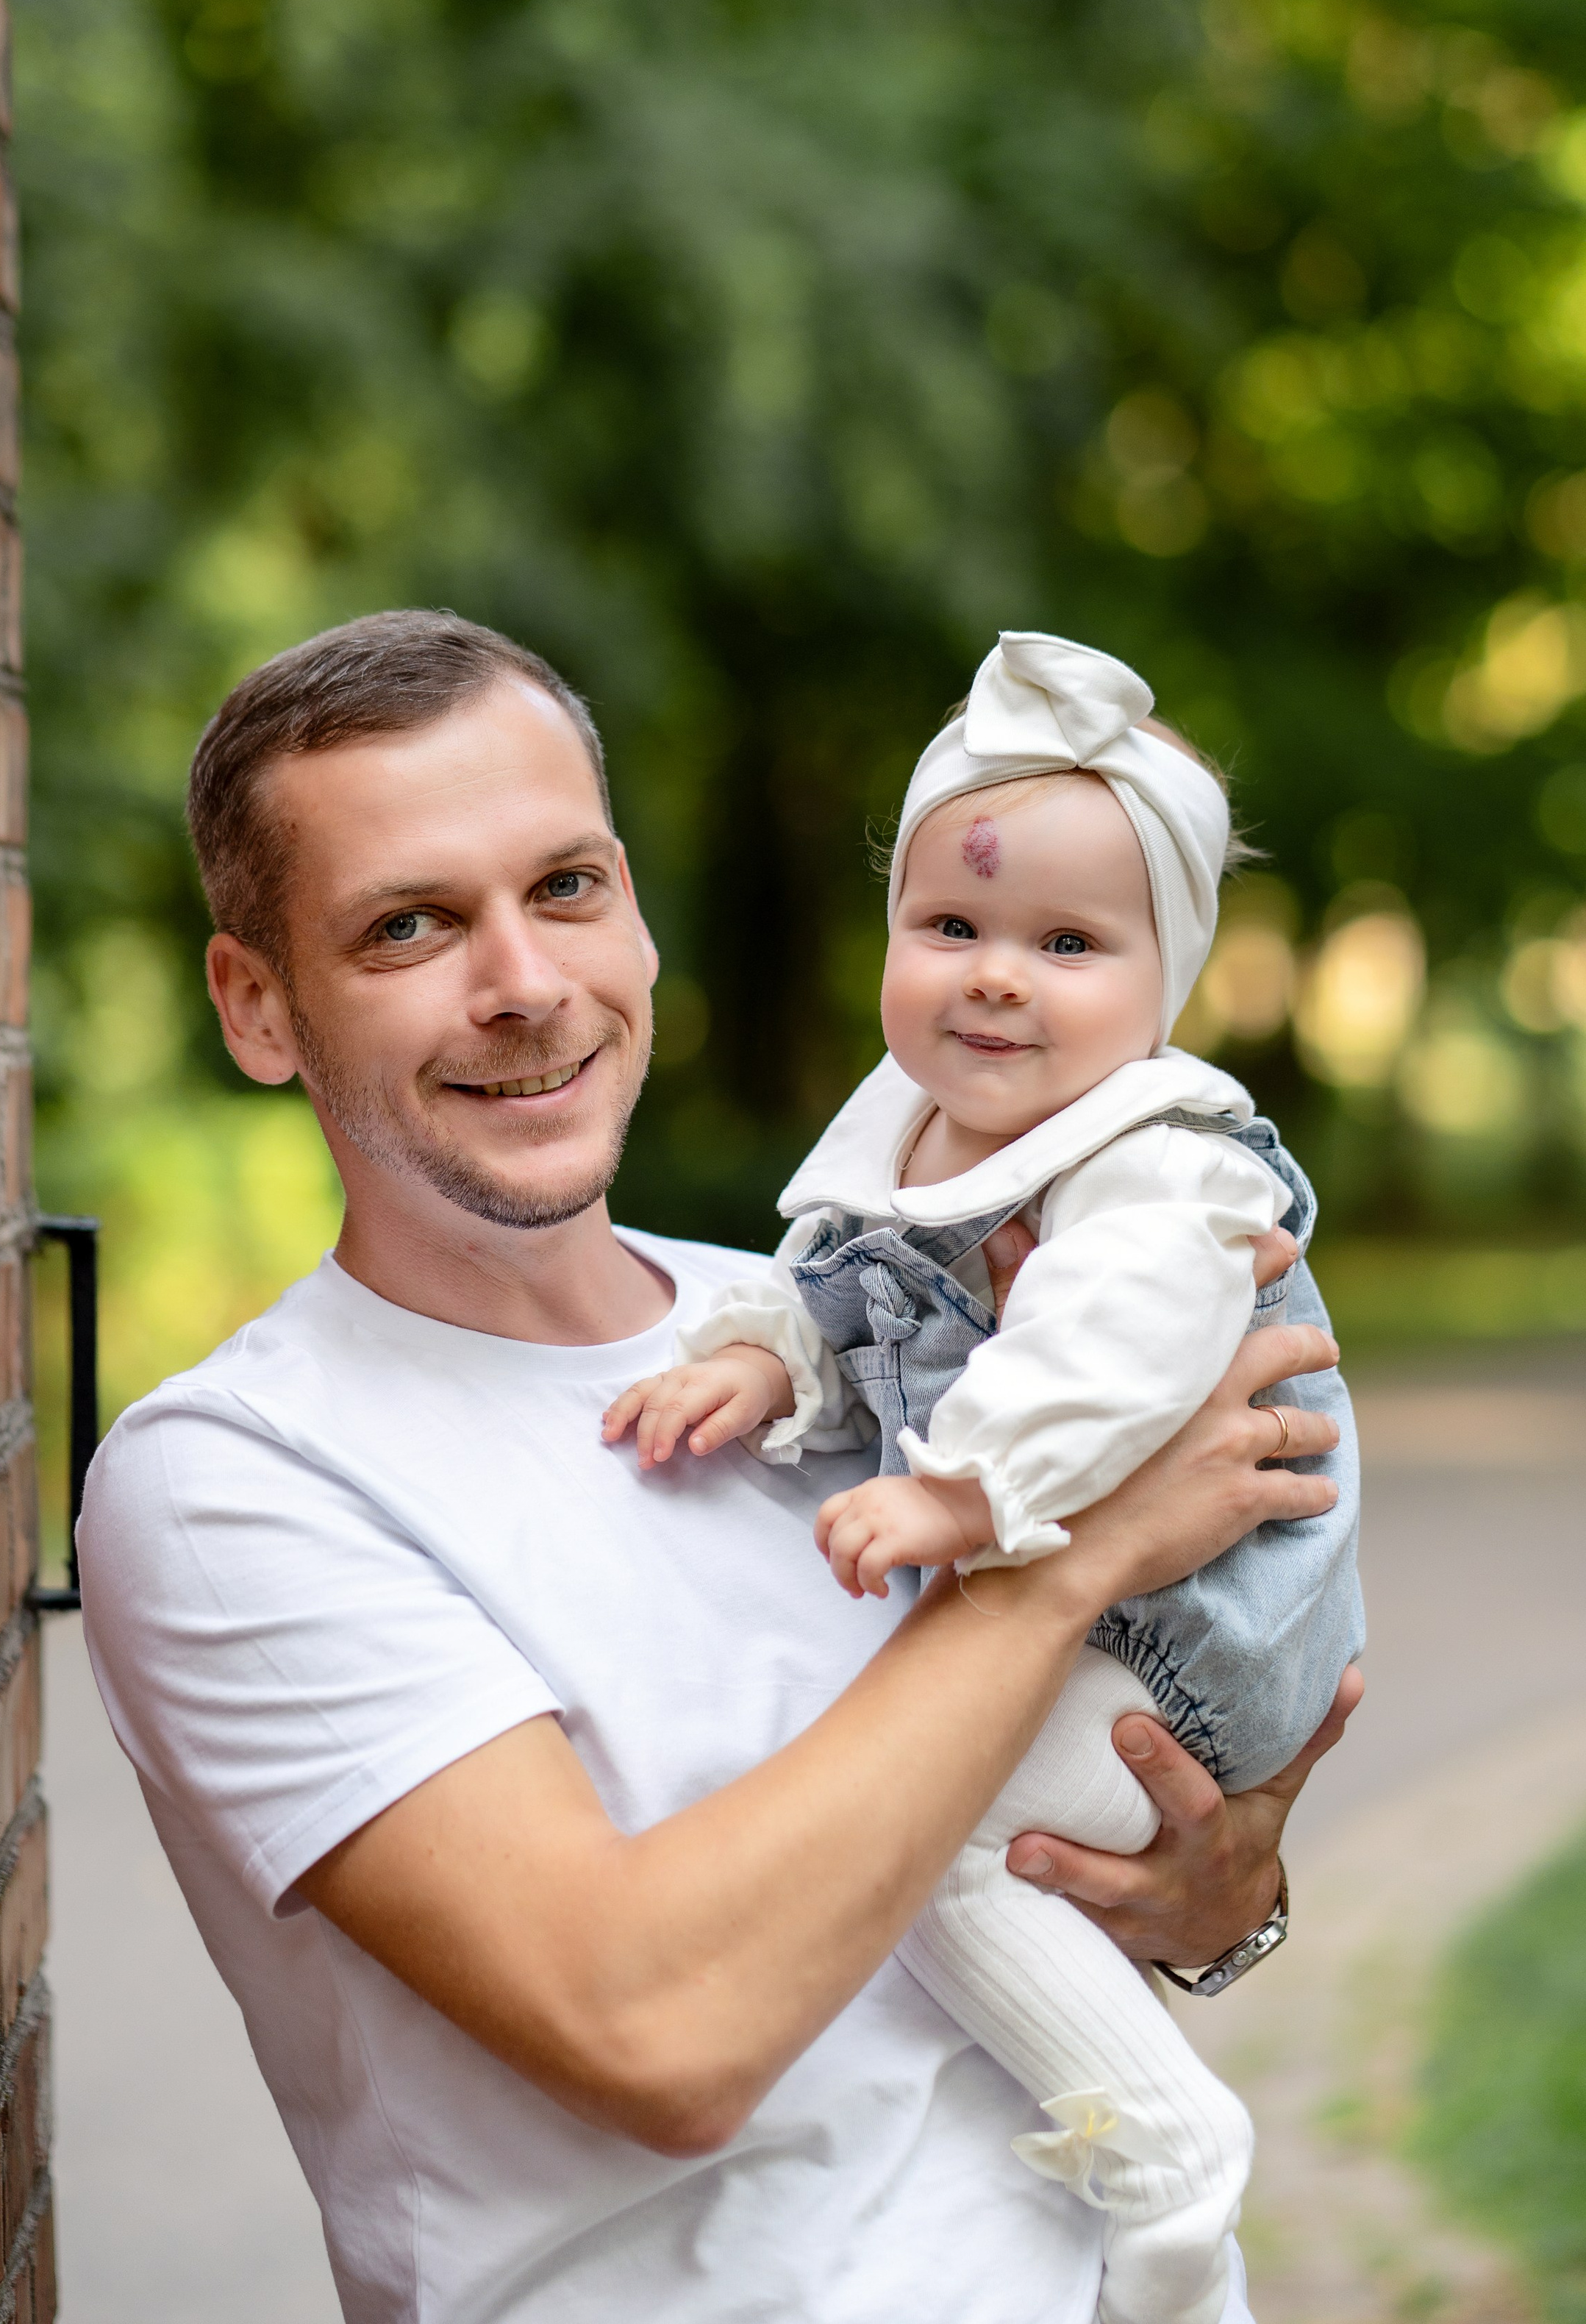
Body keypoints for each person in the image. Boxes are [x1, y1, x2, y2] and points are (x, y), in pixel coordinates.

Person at [76, 609, 1357, 2324]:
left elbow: (1028, 1879)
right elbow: (653, 2031)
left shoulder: (842, 1318)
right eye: (408, 925)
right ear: (257, 1005)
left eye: (567, 886)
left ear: (640, 918)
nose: (523, 982)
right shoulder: (235, 1481)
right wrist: (1068, 1556)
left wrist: (1209, 1899)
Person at [604, 630, 1364, 2324]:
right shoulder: (916, 1134)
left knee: (931, 1843)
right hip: (1116, 1608)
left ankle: (1162, 2151)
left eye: (1066, 942)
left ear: (1163, 983)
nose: (995, 975)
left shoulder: (1152, 1160)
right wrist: (759, 1362)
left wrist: (959, 1495)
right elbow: (832, 1289)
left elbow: (1113, 1341)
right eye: (949, 927)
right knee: (942, 1825)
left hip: (1188, 1626)